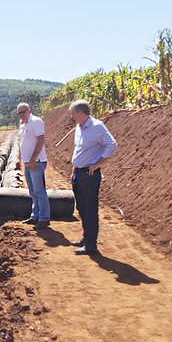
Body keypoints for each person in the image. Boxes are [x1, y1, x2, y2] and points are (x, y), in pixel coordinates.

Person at [69, 99, 117, 255]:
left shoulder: (97, 127)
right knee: (81, 207)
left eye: (74, 114)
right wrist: (74, 169)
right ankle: (86, 238)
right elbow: (79, 150)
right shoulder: (79, 127)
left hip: (89, 175)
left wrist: (98, 164)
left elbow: (112, 145)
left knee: (90, 209)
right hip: (78, 173)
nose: (72, 117)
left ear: (81, 113)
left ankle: (91, 245)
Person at [16, 103, 50, 229]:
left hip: (36, 162)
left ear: (29, 111)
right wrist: (20, 159)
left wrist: (33, 159)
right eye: (19, 113)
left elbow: (41, 140)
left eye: (23, 112)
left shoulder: (36, 122)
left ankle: (44, 218)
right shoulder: (23, 125)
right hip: (27, 162)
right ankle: (35, 215)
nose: (21, 115)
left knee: (39, 191)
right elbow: (22, 143)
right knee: (32, 191)